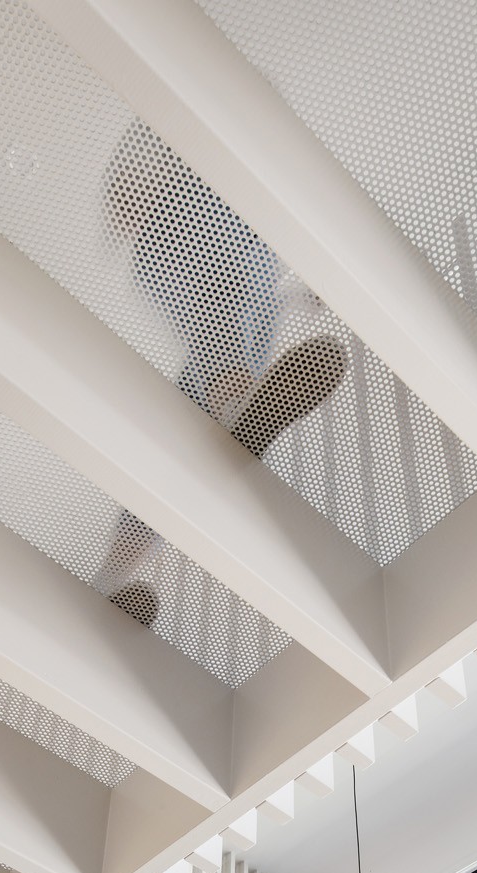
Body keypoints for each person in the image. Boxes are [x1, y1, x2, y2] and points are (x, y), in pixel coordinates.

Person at [97, 121, 347, 624]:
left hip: (221, 370)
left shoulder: (215, 211)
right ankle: (107, 584)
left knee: (165, 488)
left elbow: (258, 293)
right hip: (216, 373)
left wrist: (304, 294)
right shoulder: (183, 229)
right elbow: (230, 299)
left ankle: (107, 584)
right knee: (165, 482)